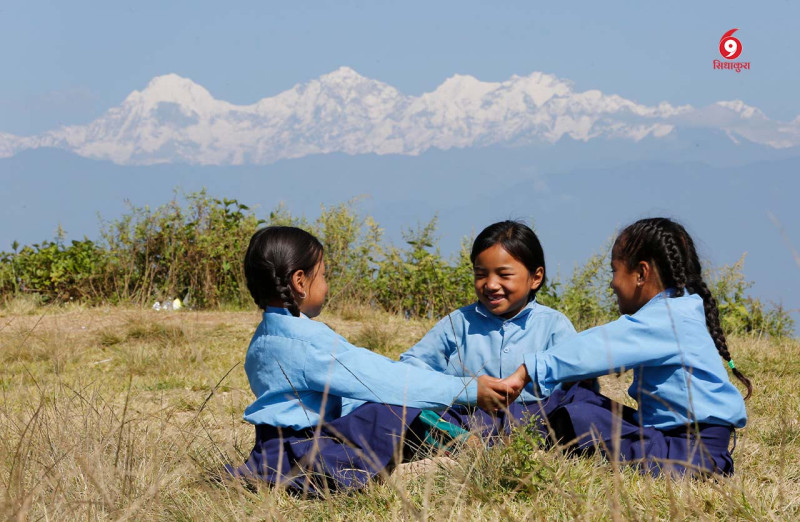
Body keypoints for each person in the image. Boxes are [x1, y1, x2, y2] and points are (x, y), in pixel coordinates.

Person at [228, 226, 516, 493]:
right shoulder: (307, 342)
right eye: (324, 275)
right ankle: (453, 451)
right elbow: (383, 380)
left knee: (372, 407)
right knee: (389, 409)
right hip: (309, 452)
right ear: (300, 281)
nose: (326, 286)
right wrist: (466, 390)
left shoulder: (264, 337)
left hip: (269, 451)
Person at [503, 217, 751, 476]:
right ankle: (504, 427)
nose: (612, 284)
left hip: (688, 456)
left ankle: (498, 431)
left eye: (614, 271)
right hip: (676, 442)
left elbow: (600, 346)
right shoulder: (678, 310)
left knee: (579, 415)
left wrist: (528, 369)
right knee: (578, 399)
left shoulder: (668, 318)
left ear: (641, 274)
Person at [399, 221, 576, 439]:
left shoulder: (554, 325)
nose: (490, 284)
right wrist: (459, 389)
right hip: (467, 418)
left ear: (535, 278)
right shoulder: (458, 323)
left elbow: (576, 383)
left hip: (535, 421)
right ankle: (455, 441)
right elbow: (413, 365)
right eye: (481, 274)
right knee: (408, 414)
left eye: (504, 274)